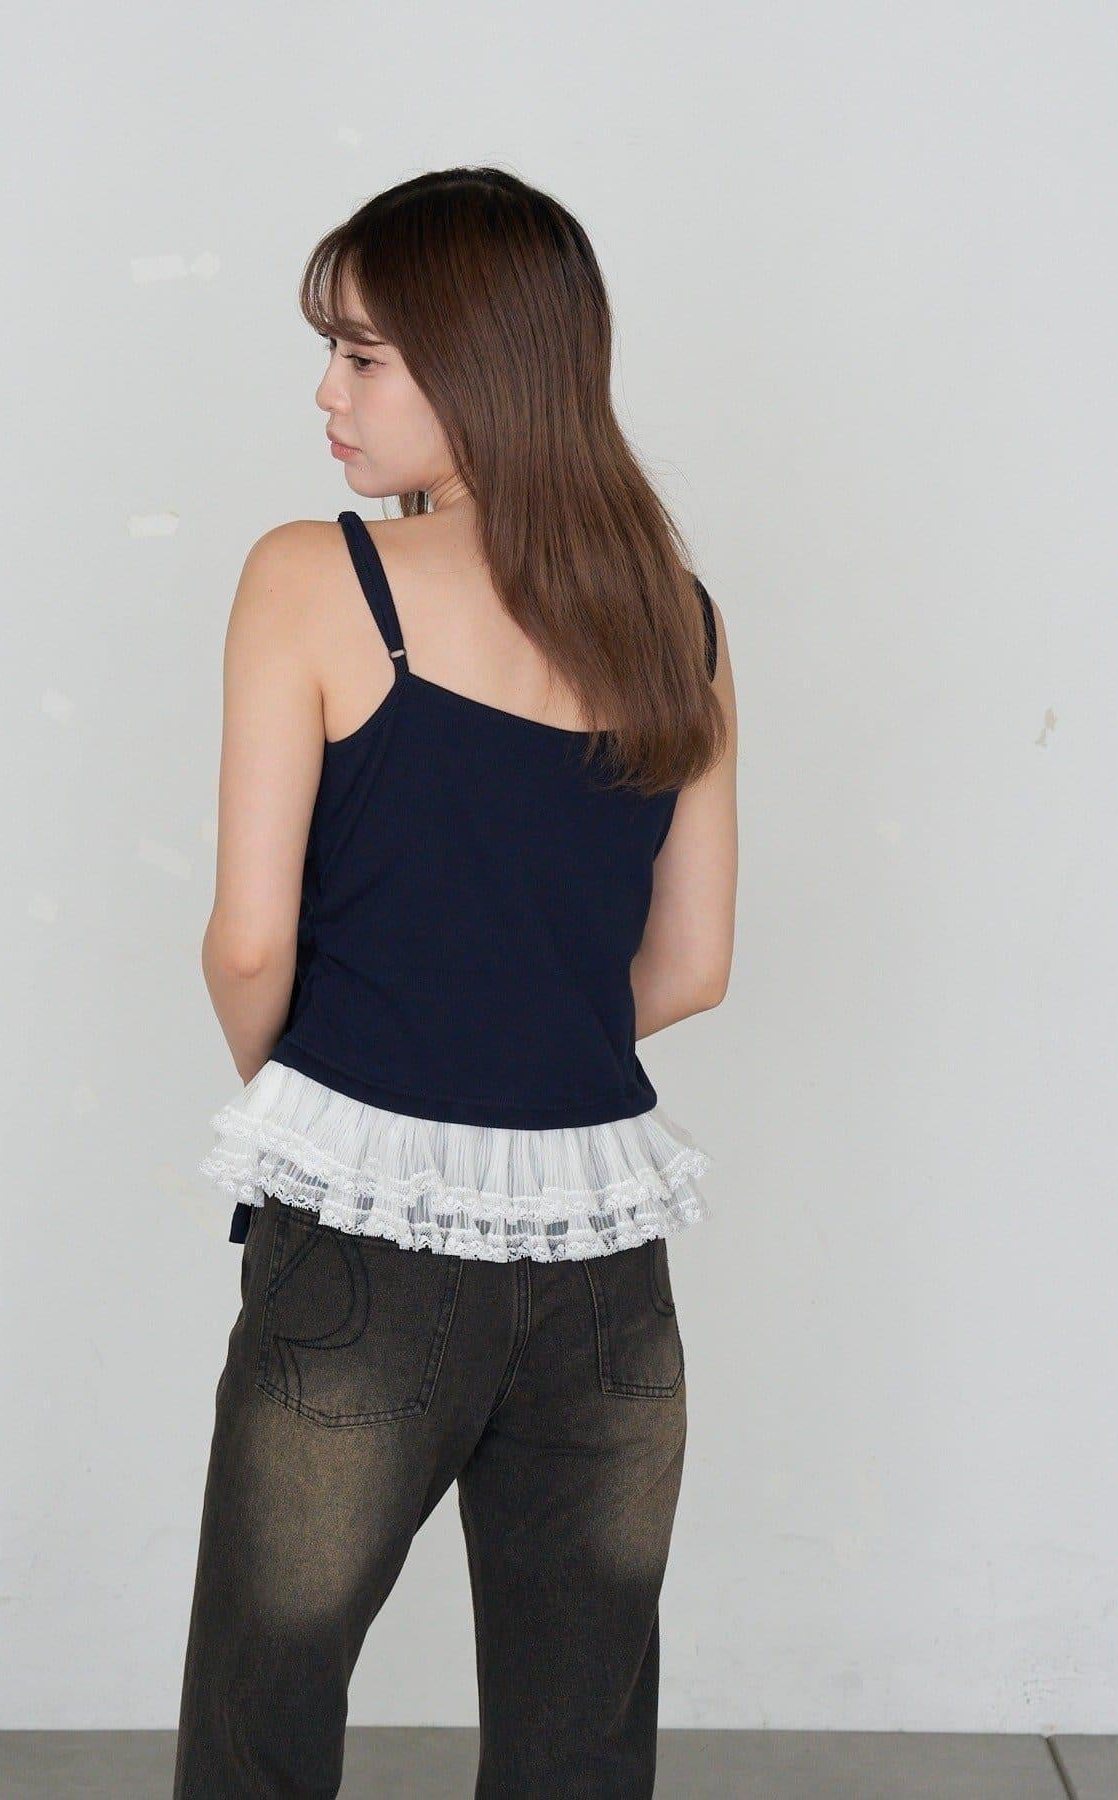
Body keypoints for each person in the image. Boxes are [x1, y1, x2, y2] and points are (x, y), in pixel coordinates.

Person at [173, 165, 738, 1799]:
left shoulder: (315, 576)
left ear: (486, 365)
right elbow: (692, 965)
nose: (328, 394)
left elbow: (248, 943)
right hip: (606, 1262)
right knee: (580, 1739)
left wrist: (328, 1089)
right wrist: (514, 1031)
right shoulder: (678, 621)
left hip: (364, 1250)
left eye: (365, 356)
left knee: (266, 1713)